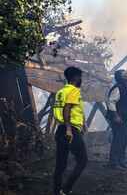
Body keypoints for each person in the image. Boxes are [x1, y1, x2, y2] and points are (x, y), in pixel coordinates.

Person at [53, 66, 87, 195]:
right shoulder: (74, 90)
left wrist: (83, 123)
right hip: (70, 130)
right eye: (80, 77)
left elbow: (64, 109)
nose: (81, 80)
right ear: (76, 78)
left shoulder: (61, 92)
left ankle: (57, 192)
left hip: (60, 129)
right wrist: (69, 129)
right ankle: (66, 190)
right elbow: (67, 108)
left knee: (60, 165)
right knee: (83, 160)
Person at [106, 69, 127, 169]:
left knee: (123, 140)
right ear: (120, 77)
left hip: (123, 118)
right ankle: (113, 163)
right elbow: (110, 102)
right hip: (117, 118)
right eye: (124, 74)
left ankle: (121, 161)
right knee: (118, 140)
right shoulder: (117, 88)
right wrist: (116, 116)